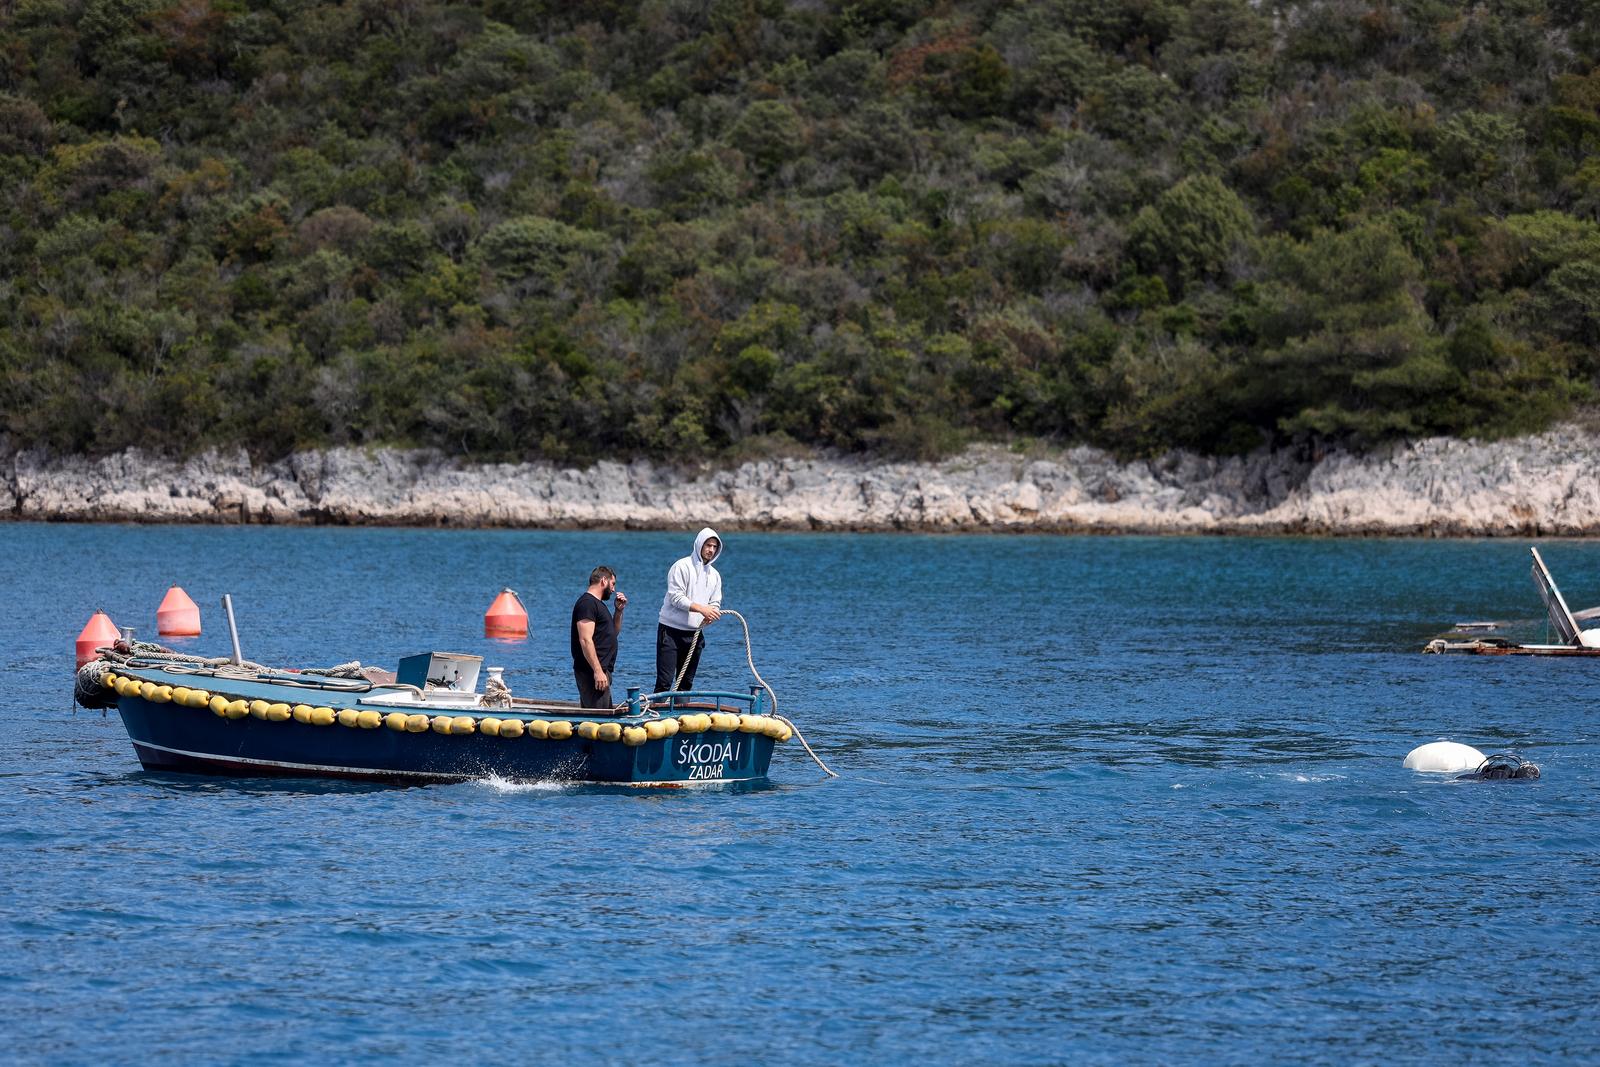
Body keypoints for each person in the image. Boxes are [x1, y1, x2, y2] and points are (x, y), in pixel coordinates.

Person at [656, 528, 723, 692]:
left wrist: (712, 613)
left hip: (694, 634)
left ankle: (682, 716)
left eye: (714, 547)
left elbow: (715, 601)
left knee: (686, 683)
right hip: (671, 632)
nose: (711, 550)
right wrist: (702, 610)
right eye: (708, 545)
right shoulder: (681, 566)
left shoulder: (714, 575)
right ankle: (656, 715)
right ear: (699, 544)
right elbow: (676, 598)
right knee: (665, 681)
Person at [571, 565, 626, 709]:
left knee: (602, 716)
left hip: (601, 671)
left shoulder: (598, 605)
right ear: (603, 581)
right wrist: (597, 671)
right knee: (598, 722)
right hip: (591, 672)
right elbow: (585, 640)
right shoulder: (587, 603)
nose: (613, 589)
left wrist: (618, 612)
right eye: (613, 584)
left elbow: (612, 634)